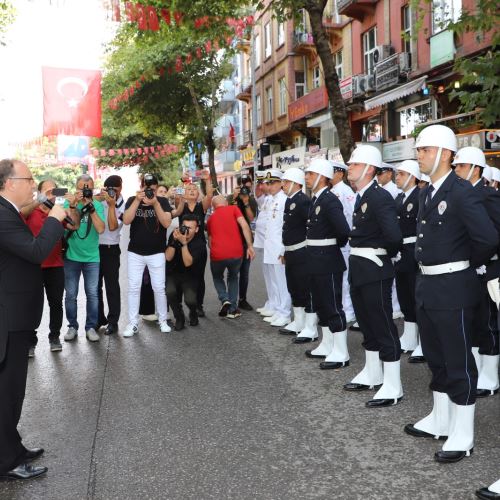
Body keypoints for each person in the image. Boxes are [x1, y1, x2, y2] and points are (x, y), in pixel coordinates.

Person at [403, 125, 498, 463]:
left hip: (454, 288)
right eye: (419, 150)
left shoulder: (461, 191)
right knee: (437, 357)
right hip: (428, 286)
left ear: (444, 153)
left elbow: (487, 238)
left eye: (424, 150)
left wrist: (461, 265)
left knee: (459, 361)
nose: (420, 155)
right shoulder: (427, 192)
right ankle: (441, 419)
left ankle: (463, 432)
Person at [0, 159, 67, 480]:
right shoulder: (2, 214)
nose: (33, 183)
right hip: (8, 320)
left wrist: (41, 203)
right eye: (29, 179)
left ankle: (12, 447)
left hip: (16, 317)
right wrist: (55, 217)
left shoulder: (8, 208)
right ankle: (6, 462)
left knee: (13, 390)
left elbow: (25, 209)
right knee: (7, 391)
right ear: (9, 183)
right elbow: (37, 251)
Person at [343, 145, 404, 408]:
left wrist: (381, 255)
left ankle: (393, 384)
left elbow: (394, 237)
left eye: (354, 165)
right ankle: (372, 372)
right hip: (360, 266)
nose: (349, 168)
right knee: (366, 323)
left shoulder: (380, 197)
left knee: (381, 323)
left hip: (374, 267)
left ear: (369, 169)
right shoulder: (362, 196)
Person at [452, 146, 500, 397]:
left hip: (487, 267)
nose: (456, 170)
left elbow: (494, 236)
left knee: (488, 322)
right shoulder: (459, 194)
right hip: (468, 267)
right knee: (471, 321)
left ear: (475, 168)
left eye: (460, 166)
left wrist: (480, 260)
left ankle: (490, 376)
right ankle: (477, 369)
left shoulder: (487, 195)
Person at [301, 159, 351, 367]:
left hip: (327, 259)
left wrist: (328, 247)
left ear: (322, 177)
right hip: (316, 259)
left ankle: (341, 352)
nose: (307, 177)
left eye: (310, 174)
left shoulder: (330, 200)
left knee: (332, 305)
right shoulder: (317, 199)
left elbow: (343, 231)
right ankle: (327, 343)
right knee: (322, 304)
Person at [122, 173, 173, 337]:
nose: (149, 190)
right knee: (134, 288)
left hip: (157, 252)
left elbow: (166, 222)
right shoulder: (132, 200)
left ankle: (163, 320)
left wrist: (155, 202)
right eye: (146, 186)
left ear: (157, 187)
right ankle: (133, 323)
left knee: (159, 288)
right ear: (141, 186)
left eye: (152, 187)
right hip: (135, 252)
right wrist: (137, 200)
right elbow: (126, 220)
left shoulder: (163, 201)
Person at [23, 179, 66, 354]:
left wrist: (71, 205)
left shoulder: (58, 211)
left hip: (55, 265)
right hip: (34, 265)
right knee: (32, 304)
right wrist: (39, 200)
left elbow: (74, 224)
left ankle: (54, 337)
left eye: (53, 191)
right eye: (47, 191)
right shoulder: (30, 210)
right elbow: (21, 212)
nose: (51, 194)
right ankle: (30, 342)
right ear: (39, 192)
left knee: (56, 303)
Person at [63, 174, 105, 343]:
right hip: (72, 256)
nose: (85, 190)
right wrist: (74, 206)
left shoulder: (97, 204)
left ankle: (91, 327)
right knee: (71, 295)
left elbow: (101, 229)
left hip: (92, 257)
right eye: (82, 187)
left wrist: (90, 206)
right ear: (76, 188)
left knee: (92, 294)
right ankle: (72, 326)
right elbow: (73, 225)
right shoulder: (68, 203)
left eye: (89, 187)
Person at [206, 196, 255, 318]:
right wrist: (249, 245)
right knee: (233, 277)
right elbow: (244, 226)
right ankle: (233, 309)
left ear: (213, 207)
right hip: (236, 252)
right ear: (226, 203)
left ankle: (224, 299)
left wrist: (215, 252)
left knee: (217, 277)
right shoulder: (233, 209)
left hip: (218, 254)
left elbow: (210, 241)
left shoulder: (211, 219)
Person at [278, 168, 312, 338]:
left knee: (303, 288)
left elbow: (309, 227)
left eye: (285, 182)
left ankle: (307, 324)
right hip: (291, 251)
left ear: (296, 183)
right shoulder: (289, 200)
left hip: (301, 251)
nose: (282, 185)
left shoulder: (303, 200)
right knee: (293, 287)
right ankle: (298, 321)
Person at [393, 161, 421, 355]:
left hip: (414, 252)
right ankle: (409, 335)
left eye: (401, 174)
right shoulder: (399, 198)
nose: (397, 177)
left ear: (412, 177)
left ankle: (422, 341)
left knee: (416, 295)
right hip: (400, 252)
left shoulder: (420, 196)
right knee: (404, 296)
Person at [260, 169, 292, 327]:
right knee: (275, 280)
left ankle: (285, 313)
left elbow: (286, 227)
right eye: (268, 183)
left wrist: (284, 248)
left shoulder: (284, 200)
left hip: (279, 247)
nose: (269, 186)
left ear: (281, 183)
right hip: (270, 246)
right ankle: (278, 309)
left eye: (273, 183)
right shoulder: (271, 200)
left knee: (282, 282)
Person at [180, 171, 214, 317]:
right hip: (183, 244)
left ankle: (199, 305)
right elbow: (178, 197)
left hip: (199, 245)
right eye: (189, 189)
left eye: (195, 189)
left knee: (199, 277)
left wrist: (207, 180)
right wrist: (184, 182)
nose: (192, 191)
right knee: (183, 276)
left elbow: (210, 196)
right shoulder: (181, 205)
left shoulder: (201, 206)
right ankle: (180, 304)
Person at [165, 214, 207, 330]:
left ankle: (193, 312)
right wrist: (174, 242)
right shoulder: (175, 235)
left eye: (190, 228)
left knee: (190, 300)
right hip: (173, 273)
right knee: (169, 292)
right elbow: (168, 257)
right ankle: (179, 317)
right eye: (184, 227)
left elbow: (188, 262)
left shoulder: (200, 244)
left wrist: (184, 244)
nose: (186, 230)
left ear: (197, 229)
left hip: (191, 276)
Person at [96, 175, 125, 335]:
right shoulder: (99, 200)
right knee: (95, 287)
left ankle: (113, 321)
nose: (112, 191)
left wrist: (112, 206)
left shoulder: (123, 204)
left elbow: (113, 226)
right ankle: (98, 319)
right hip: (95, 248)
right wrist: (96, 197)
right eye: (109, 188)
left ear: (121, 188)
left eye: (115, 188)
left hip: (111, 248)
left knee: (112, 287)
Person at [330, 160, 356, 324]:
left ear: (340, 173)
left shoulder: (346, 191)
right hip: (336, 242)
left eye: (332, 172)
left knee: (346, 278)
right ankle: (340, 307)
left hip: (345, 242)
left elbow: (353, 214)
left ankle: (348, 310)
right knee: (338, 278)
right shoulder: (332, 191)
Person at [227, 175, 258, 311]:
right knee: (233, 272)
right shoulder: (230, 198)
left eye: (247, 185)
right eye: (242, 185)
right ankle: (230, 300)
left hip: (245, 240)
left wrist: (245, 202)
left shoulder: (250, 200)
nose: (244, 188)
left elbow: (251, 218)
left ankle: (242, 299)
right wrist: (234, 199)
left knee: (244, 272)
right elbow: (225, 215)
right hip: (233, 240)